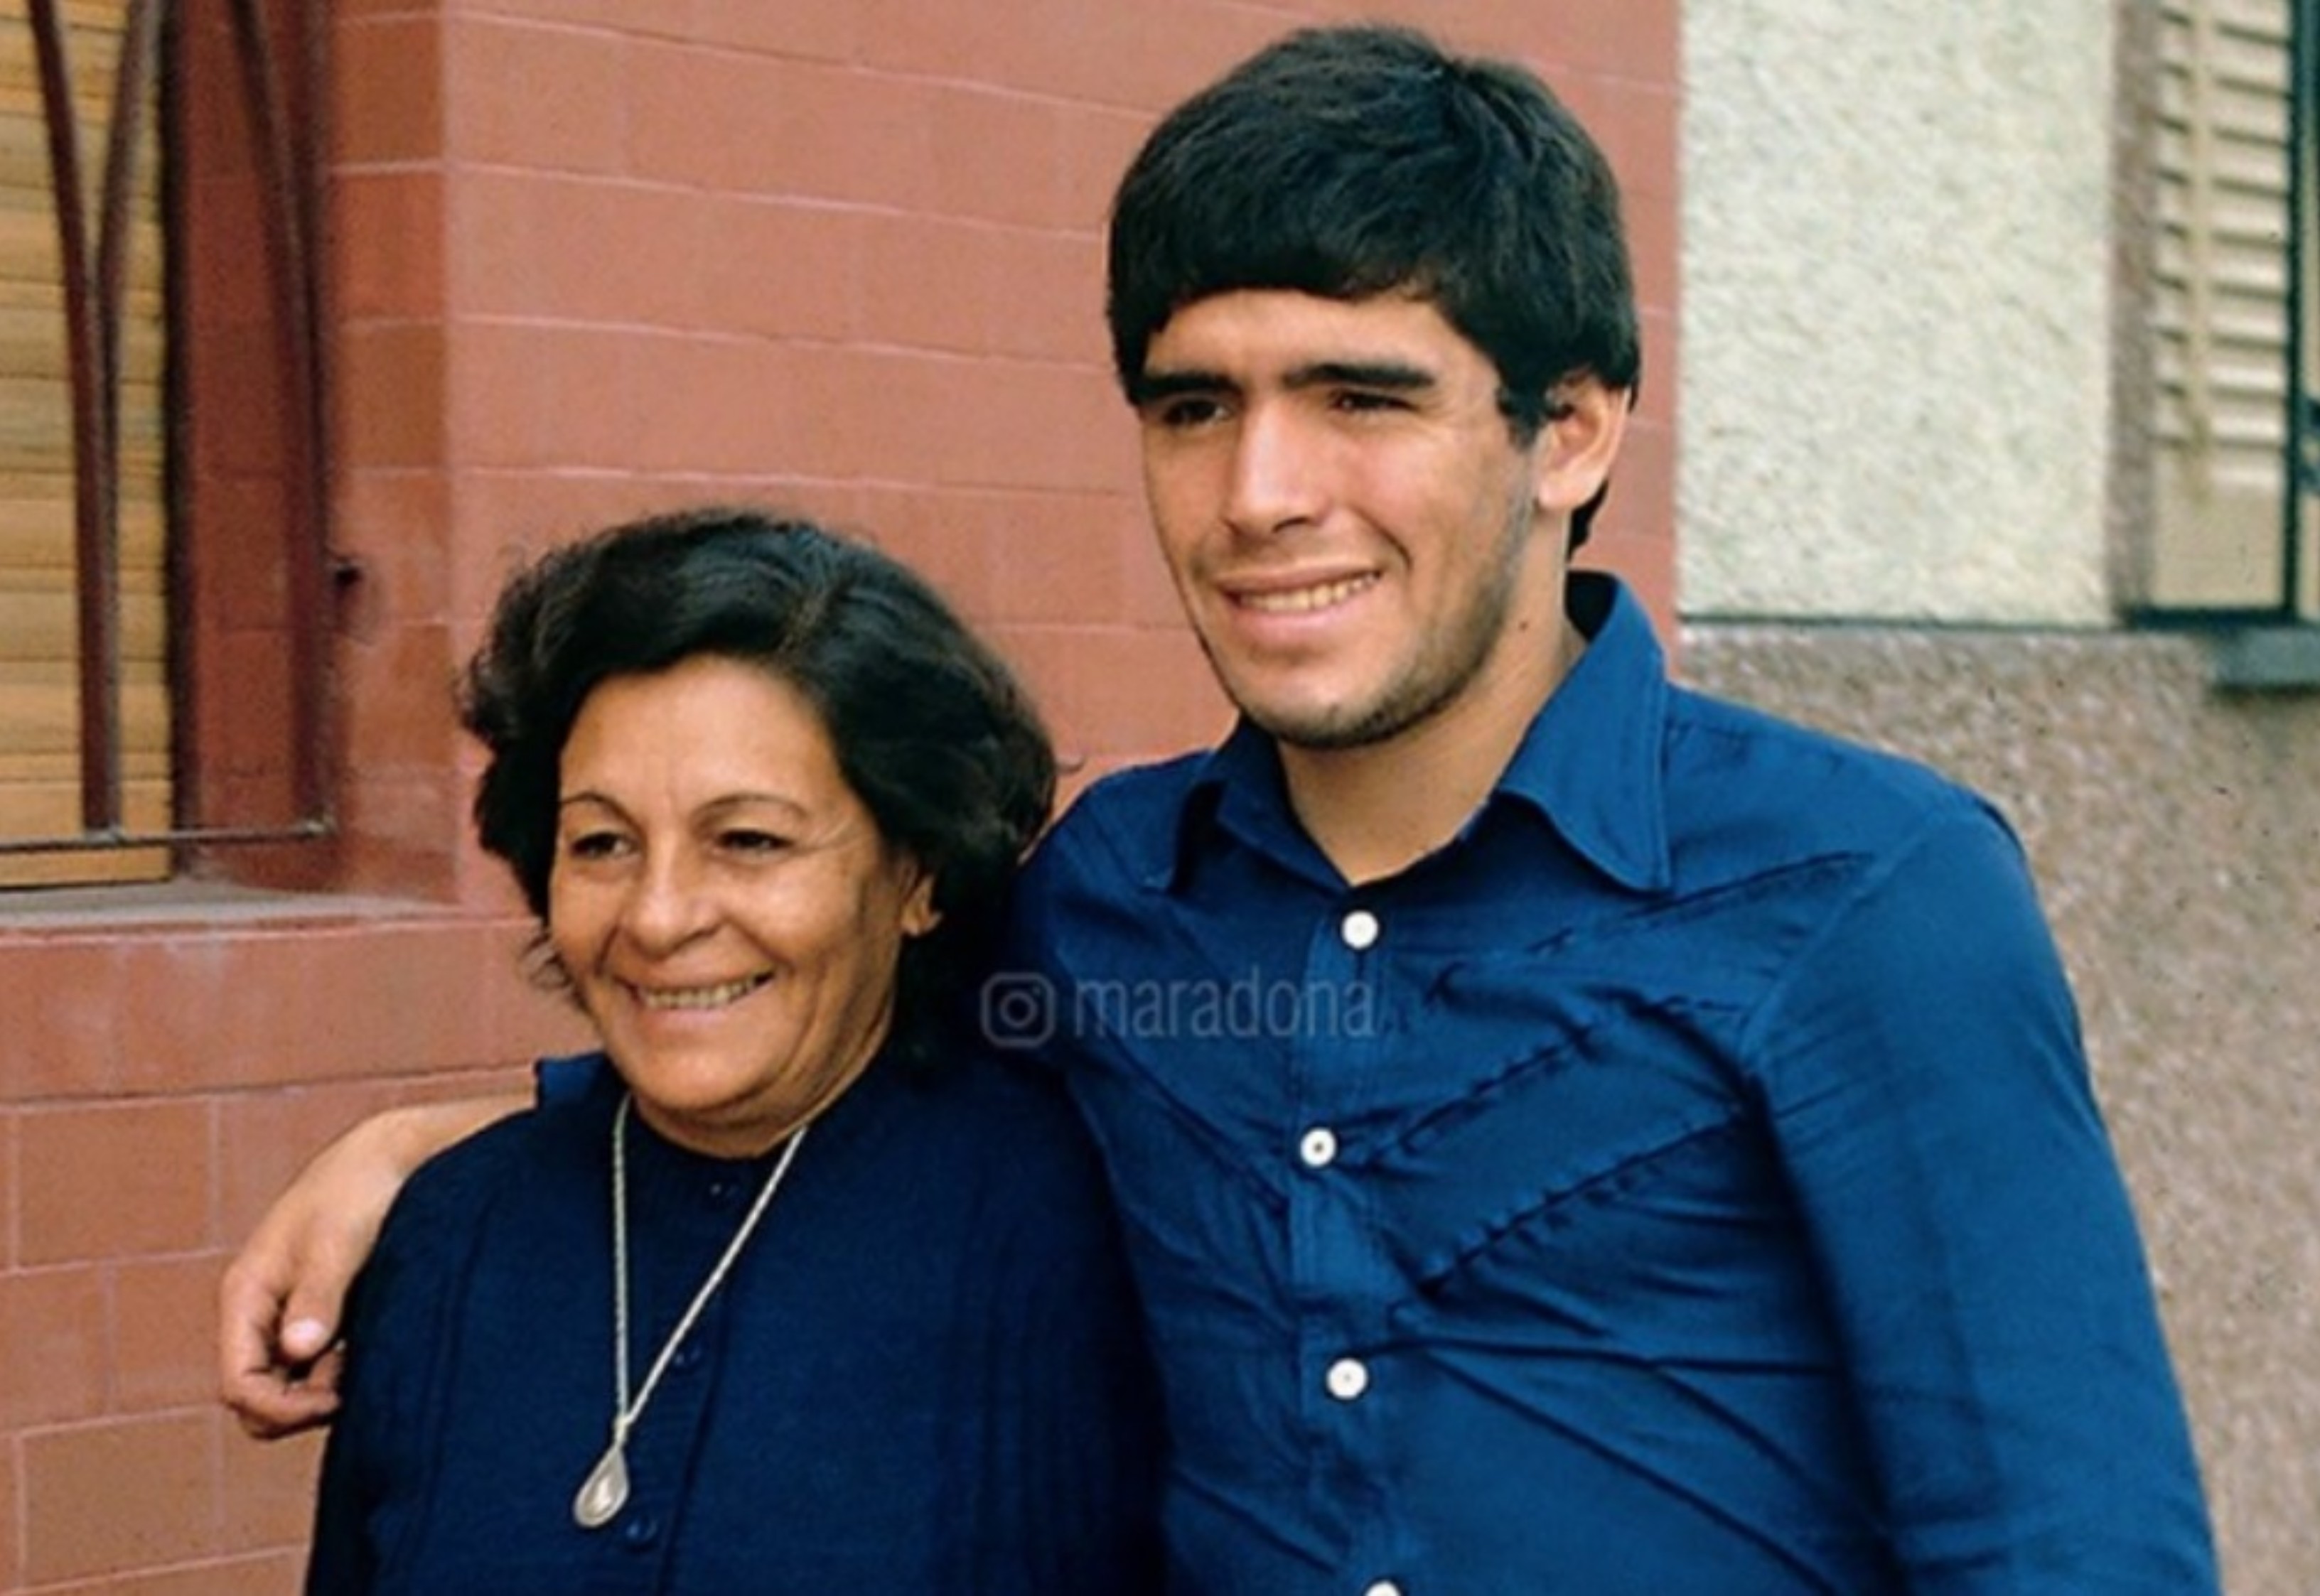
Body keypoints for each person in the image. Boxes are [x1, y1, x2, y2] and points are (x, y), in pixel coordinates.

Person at [227, 23, 2219, 1593]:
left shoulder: (1865, 893)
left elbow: (2064, 1547)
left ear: (1573, 428)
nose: (1260, 489)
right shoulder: (1103, 897)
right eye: (1194, 404)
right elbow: (778, 991)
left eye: (1361, 396)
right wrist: (461, 1136)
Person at [297, 507, 1163, 1592]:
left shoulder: (1082, 1236)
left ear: (921, 872)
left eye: (748, 840)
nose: (659, 917)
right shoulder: (447, 1236)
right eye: (603, 842)